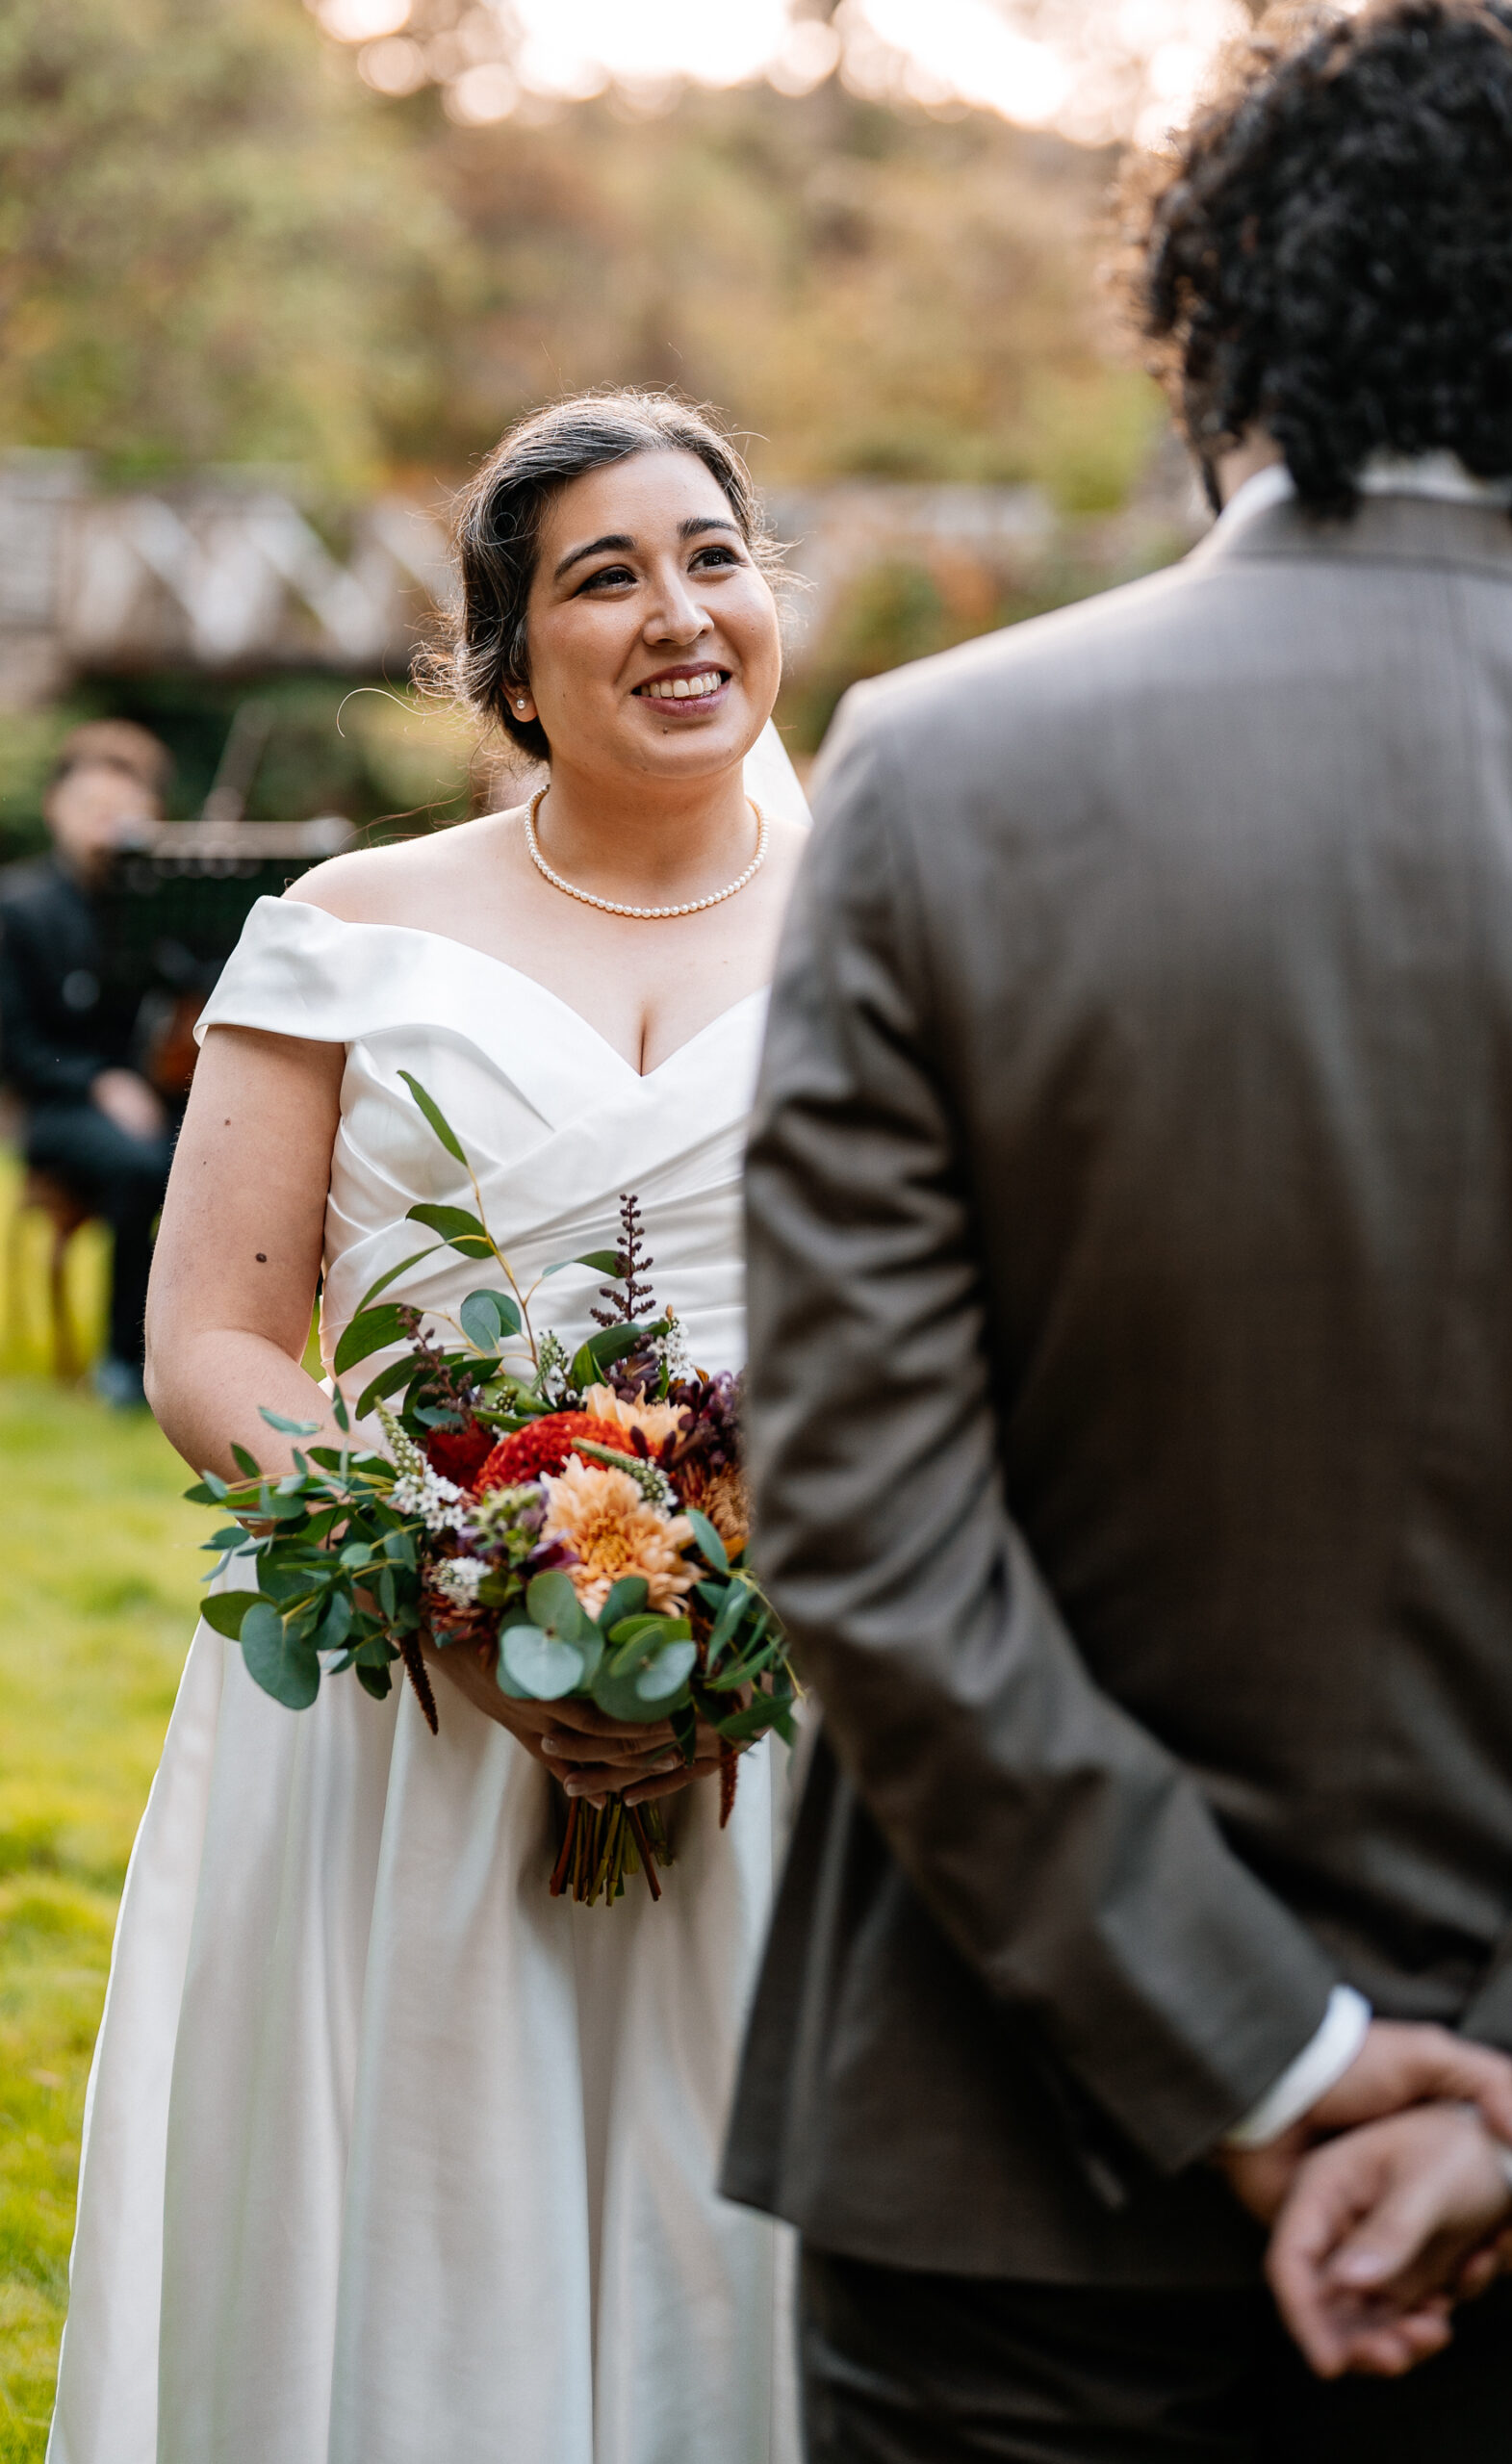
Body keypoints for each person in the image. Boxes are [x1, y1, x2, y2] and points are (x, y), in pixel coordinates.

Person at [724, 4, 1512, 2455]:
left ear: (1207, 310)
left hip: (1001, 2167)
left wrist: (1257, 2050)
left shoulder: (937, 768)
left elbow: (858, 1520)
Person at [47, 394, 810, 2464]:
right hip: (407, 1715)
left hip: (797, 1710)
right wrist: (459, 1578)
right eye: (605, 574)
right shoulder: (351, 929)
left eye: (716, 556)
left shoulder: (904, 917)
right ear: (503, 664)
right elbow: (214, 1332)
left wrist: (750, 1584)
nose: (679, 612)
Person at [0, 720, 176, 1405]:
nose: (107, 827)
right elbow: (13, 1045)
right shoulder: (18, 909)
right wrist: (98, 1081)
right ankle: (122, 1361)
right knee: (140, 1167)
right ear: (55, 808)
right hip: (59, 1107)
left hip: (156, 1092)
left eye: (123, 813)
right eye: (92, 810)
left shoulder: (160, 906)